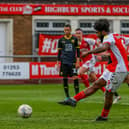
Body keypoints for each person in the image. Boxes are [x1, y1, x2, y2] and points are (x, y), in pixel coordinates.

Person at [58, 19, 129, 121]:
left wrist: (88, 52)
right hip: (112, 67)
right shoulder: (117, 36)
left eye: (97, 32)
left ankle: (104, 116)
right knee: (96, 84)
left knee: (109, 93)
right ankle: (73, 100)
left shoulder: (108, 38)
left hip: (119, 69)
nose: (96, 34)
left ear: (103, 31)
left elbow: (104, 47)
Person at [75, 28, 105, 93]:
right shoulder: (75, 44)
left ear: (82, 34)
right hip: (84, 61)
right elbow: (77, 54)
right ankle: (106, 92)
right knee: (95, 80)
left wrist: (99, 53)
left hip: (90, 60)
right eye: (77, 33)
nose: (78, 35)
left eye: (79, 33)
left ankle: (88, 90)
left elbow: (96, 43)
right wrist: (77, 62)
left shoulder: (87, 40)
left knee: (80, 72)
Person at [57, 24, 80, 100]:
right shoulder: (61, 40)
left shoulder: (75, 39)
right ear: (64, 30)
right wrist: (58, 62)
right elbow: (59, 53)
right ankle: (67, 96)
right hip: (64, 62)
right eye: (65, 30)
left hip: (72, 62)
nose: (66, 31)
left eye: (68, 30)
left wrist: (78, 61)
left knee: (75, 77)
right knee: (65, 78)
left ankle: (77, 96)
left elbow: (78, 51)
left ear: (70, 30)